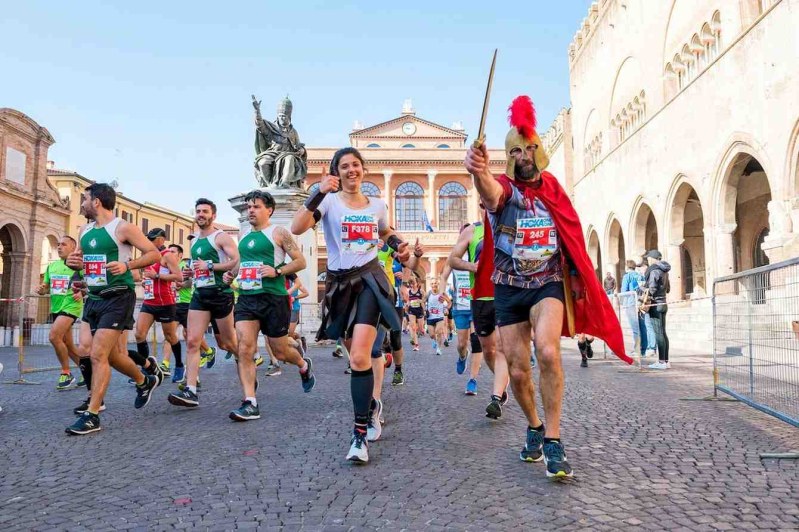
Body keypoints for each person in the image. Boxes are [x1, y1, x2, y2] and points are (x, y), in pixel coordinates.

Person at [464, 95, 630, 478]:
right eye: (516, 151)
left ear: (540, 151)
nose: (524, 156)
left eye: (529, 148)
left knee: (549, 352)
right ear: (508, 157)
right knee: (518, 371)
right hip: (509, 288)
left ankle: (553, 439)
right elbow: (491, 194)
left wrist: (575, 277)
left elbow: (570, 233)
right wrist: (478, 172)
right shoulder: (503, 188)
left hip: (547, 283)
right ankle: (535, 426)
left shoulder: (554, 189)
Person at [292, 147, 410, 464]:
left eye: (356, 164)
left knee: (359, 356)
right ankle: (371, 405)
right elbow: (297, 227)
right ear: (337, 172)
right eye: (344, 166)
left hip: (370, 279)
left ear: (363, 169)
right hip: (339, 285)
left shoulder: (377, 205)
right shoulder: (328, 201)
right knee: (352, 351)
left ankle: (359, 435)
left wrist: (399, 246)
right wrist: (318, 192)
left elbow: (385, 231)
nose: (351, 170)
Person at [65, 183, 162, 435]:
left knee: (98, 354)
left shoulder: (123, 227)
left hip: (118, 297)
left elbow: (154, 254)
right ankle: (145, 380)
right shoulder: (84, 229)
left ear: (96, 201)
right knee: (109, 355)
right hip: (93, 297)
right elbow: (80, 261)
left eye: (85, 199)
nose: (82, 204)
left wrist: (127, 266)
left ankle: (92, 415)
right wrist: (73, 263)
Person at [221, 190, 314, 421]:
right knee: (245, 348)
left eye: (256, 206)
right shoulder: (244, 236)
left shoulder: (278, 232)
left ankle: (303, 364)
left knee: (280, 351)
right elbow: (242, 263)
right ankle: (250, 402)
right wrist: (231, 274)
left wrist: (277, 271)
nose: (250, 210)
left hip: (274, 298)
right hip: (247, 298)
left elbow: (300, 261)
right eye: (249, 207)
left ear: (269, 210)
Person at [168, 198, 239, 408]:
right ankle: (190, 391)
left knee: (227, 343)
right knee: (192, 341)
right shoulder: (194, 241)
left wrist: (210, 266)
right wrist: (188, 276)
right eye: (198, 211)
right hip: (200, 295)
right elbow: (198, 271)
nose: (201, 214)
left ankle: (246, 364)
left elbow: (236, 261)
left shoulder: (221, 237)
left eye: (205, 211)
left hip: (220, 294)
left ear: (213, 216)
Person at [445, 210, 511, 414]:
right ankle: (500, 382)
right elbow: (453, 260)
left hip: (505, 295)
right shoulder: (473, 231)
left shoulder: (510, 225)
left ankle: (496, 396)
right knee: (488, 350)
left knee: (501, 347)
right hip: (481, 298)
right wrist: (472, 266)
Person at [130, 228, 183, 384]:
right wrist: (145, 282)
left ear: (161, 240)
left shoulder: (167, 255)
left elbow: (179, 276)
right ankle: (146, 369)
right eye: (148, 239)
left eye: (152, 239)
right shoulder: (147, 255)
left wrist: (157, 276)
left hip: (165, 302)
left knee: (170, 336)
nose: (149, 242)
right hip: (149, 301)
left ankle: (179, 365)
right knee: (139, 335)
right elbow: (145, 275)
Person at [37, 236, 84, 390]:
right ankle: (87, 370)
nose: (59, 247)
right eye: (58, 244)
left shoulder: (78, 265)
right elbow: (46, 287)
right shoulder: (52, 266)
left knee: (54, 336)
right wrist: (41, 289)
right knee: (68, 345)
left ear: (73, 248)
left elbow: (90, 283)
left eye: (63, 244)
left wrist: (82, 292)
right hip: (56, 308)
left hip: (71, 305)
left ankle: (66, 372)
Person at [643, 250, 671, 370]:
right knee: (663, 333)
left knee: (659, 334)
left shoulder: (654, 270)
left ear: (652, 258)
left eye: (648, 258)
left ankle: (661, 362)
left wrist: (642, 290)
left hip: (655, 305)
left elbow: (652, 289)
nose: (647, 260)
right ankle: (666, 361)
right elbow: (668, 289)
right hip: (663, 303)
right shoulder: (665, 271)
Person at [620, 259, 647, 357]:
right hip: (641, 303)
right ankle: (644, 350)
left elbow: (624, 291)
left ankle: (637, 349)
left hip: (631, 304)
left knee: (635, 328)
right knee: (642, 327)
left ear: (627, 266)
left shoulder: (627, 276)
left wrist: (622, 303)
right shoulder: (641, 276)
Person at [424, 278, 451, 356]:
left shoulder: (442, 293)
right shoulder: (428, 293)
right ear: (430, 285)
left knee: (439, 332)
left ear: (438, 284)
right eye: (432, 283)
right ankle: (435, 340)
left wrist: (446, 309)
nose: (434, 285)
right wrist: (424, 310)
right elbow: (423, 302)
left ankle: (439, 349)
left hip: (439, 316)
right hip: (430, 317)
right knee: (431, 335)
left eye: (435, 283)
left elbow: (449, 302)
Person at [406, 276, 424, 351]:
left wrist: (421, 301)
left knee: (420, 329)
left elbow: (424, 299)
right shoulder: (408, 292)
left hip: (419, 310)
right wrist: (407, 303)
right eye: (410, 284)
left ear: (417, 283)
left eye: (413, 283)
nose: (412, 285)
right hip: (412, 310)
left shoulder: (421, 291)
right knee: (413, 327)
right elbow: (407, 300)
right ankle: (416, 345)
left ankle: (421, 330)